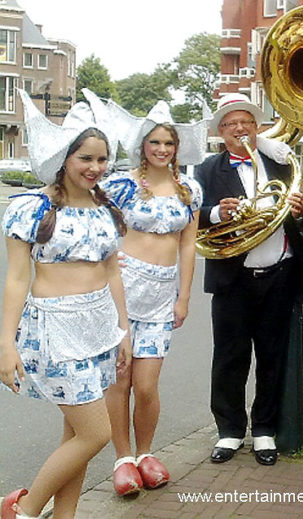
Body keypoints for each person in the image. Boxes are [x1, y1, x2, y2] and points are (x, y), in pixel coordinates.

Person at [0, 90, 131, 519]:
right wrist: (6, 344)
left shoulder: (106, 208)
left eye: (102, 159)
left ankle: (65, 516)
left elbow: (112, 272)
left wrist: (123, 330)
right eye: (85, 159)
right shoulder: (31, 209)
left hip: (98, 328)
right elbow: (17, 278)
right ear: (63, 159)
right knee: (96, 434)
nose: (95, 168)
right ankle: (23, 511)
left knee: (76, 435)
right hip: (54, 331)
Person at [195, 93, 303, 467]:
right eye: (232, 124)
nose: (240, 129)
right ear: (221, 132)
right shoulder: (207, 169)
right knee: (230, 359)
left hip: (279, 275)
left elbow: (291, 210)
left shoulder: (279, 163)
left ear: (256, 128)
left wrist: (297, 210)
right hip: (233, 278)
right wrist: (217, 213)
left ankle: (265, 431)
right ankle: (230, 431)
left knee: (272, 358)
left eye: (247, 122)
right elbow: (193, 215)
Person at [100, 99, 206, 495]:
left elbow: (189, 246)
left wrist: (184, 297)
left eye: (168, 143)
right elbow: (105, 236)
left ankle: (146, 452)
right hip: (124, 292)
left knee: (146, 384)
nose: (162, 149)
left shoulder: (189, 189)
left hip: (163, 295)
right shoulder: (120, 185)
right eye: (155, 142)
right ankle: (123, 459)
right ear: (143, 145)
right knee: (120, 380)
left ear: (177, 148)